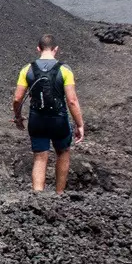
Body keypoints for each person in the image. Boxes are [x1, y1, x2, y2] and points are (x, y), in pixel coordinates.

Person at [12, 34, 85, 193]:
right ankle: (59, 195)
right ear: (56, 49)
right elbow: (72, 100)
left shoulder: (27, 69)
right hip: (58, 119)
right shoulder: (65, 70)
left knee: (39, 157)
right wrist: (79, 124)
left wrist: (18, 117)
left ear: (38, 48)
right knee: (63, 153)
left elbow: (17, 98)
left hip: (37, 119)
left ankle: (38, 196)